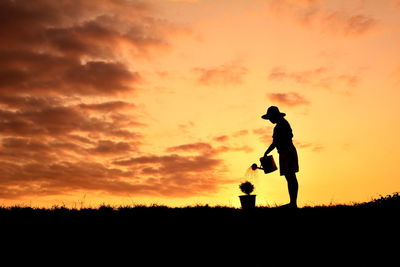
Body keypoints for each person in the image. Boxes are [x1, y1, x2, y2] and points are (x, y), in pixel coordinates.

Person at [262, 106, 299, 208]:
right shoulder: (283, 123)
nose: (269, 120)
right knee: (290, 177)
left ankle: (293, 203)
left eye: (270, 118)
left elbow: (275, 142)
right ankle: (293, 202)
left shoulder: (280, 126)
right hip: (286, 152)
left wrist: (266, 152)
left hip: (287, 152)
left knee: (291, 177)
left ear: (274, 116)